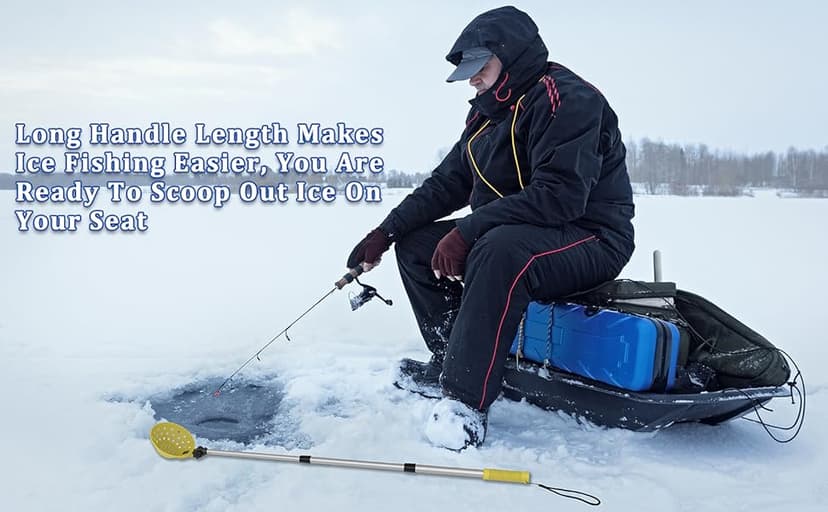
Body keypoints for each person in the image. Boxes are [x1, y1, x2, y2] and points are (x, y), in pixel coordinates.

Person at [347, 5, 635, 450]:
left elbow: (560, 196)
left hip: (591, 236)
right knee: (419, 245)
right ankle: (450, 361)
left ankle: (464, 403)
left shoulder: (568, 100)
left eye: (480, 67)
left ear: (512, 55)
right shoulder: (487, 114)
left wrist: (468, 231)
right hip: (519, 230)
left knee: (498, 249)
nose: (473, 79)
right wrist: (385, 232)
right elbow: (448, 183)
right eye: (468, 71)